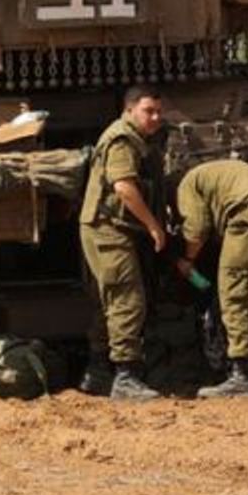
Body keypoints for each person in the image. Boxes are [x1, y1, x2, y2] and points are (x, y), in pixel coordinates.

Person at [173, 157, 248, 397]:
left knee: (236, 293)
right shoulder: (219, 171)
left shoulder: (188, 183)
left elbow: (196, 229)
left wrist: (186, 262)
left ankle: (242, 376)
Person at [79, 85, 170, 401]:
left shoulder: (139, 139)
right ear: (129, 109)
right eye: (149, 111)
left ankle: (98, 372)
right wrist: (154, 226)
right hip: (109, 229)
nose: (156, 117)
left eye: (159, 111)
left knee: (109, 300)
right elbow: (124, 188)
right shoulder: (123, 139)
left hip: (113, 227)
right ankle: (125, 377)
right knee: (127, 299)